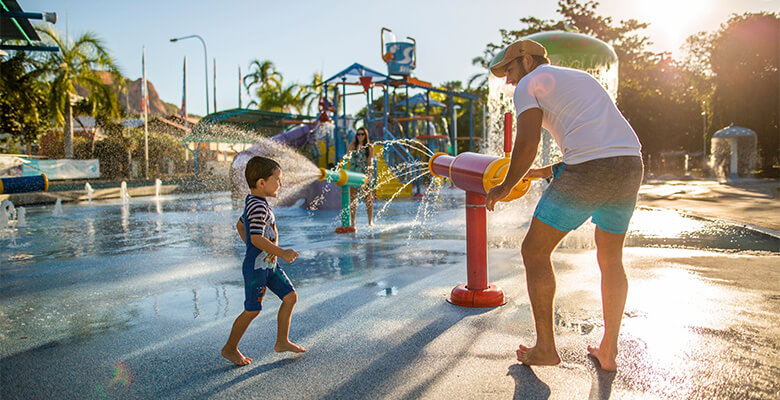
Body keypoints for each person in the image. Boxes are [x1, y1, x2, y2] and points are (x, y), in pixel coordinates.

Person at [485, 39, 643, 371]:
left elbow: (526, 143)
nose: (509, 80)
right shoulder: (581, 78)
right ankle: (608, 351)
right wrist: (542, 171)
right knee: (611, 257)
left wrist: (504, 186)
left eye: (510, 70)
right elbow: (597, 140)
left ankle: (545, 348)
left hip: (591, 169)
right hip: (630, 164)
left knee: (534, 251)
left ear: (527, 61)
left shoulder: (528, 84)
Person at [222, 156, 305, 366]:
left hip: (269, 265)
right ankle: (230, 348)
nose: (280, 183)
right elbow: (257, 238)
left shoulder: (256, 202)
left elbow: (241, 226)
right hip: (257, 268)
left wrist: (254, 247)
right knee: (252, 309)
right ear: (261, 183)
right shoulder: (257, 206)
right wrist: (281, 251)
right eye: (277, 179)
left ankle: (282, 341)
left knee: (290, 297)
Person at [347, 127, 375, 226]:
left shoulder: (369, 147)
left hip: (364, 175)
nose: (360, 136)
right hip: (354, 174)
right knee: (353, 200)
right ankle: (353, 222)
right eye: (358, 134)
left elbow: (370, 162)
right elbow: (347, 159)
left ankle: (370, 221)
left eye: (362, 134)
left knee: (368, 199)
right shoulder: (352, 145)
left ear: (365, 135)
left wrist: (369, 174)